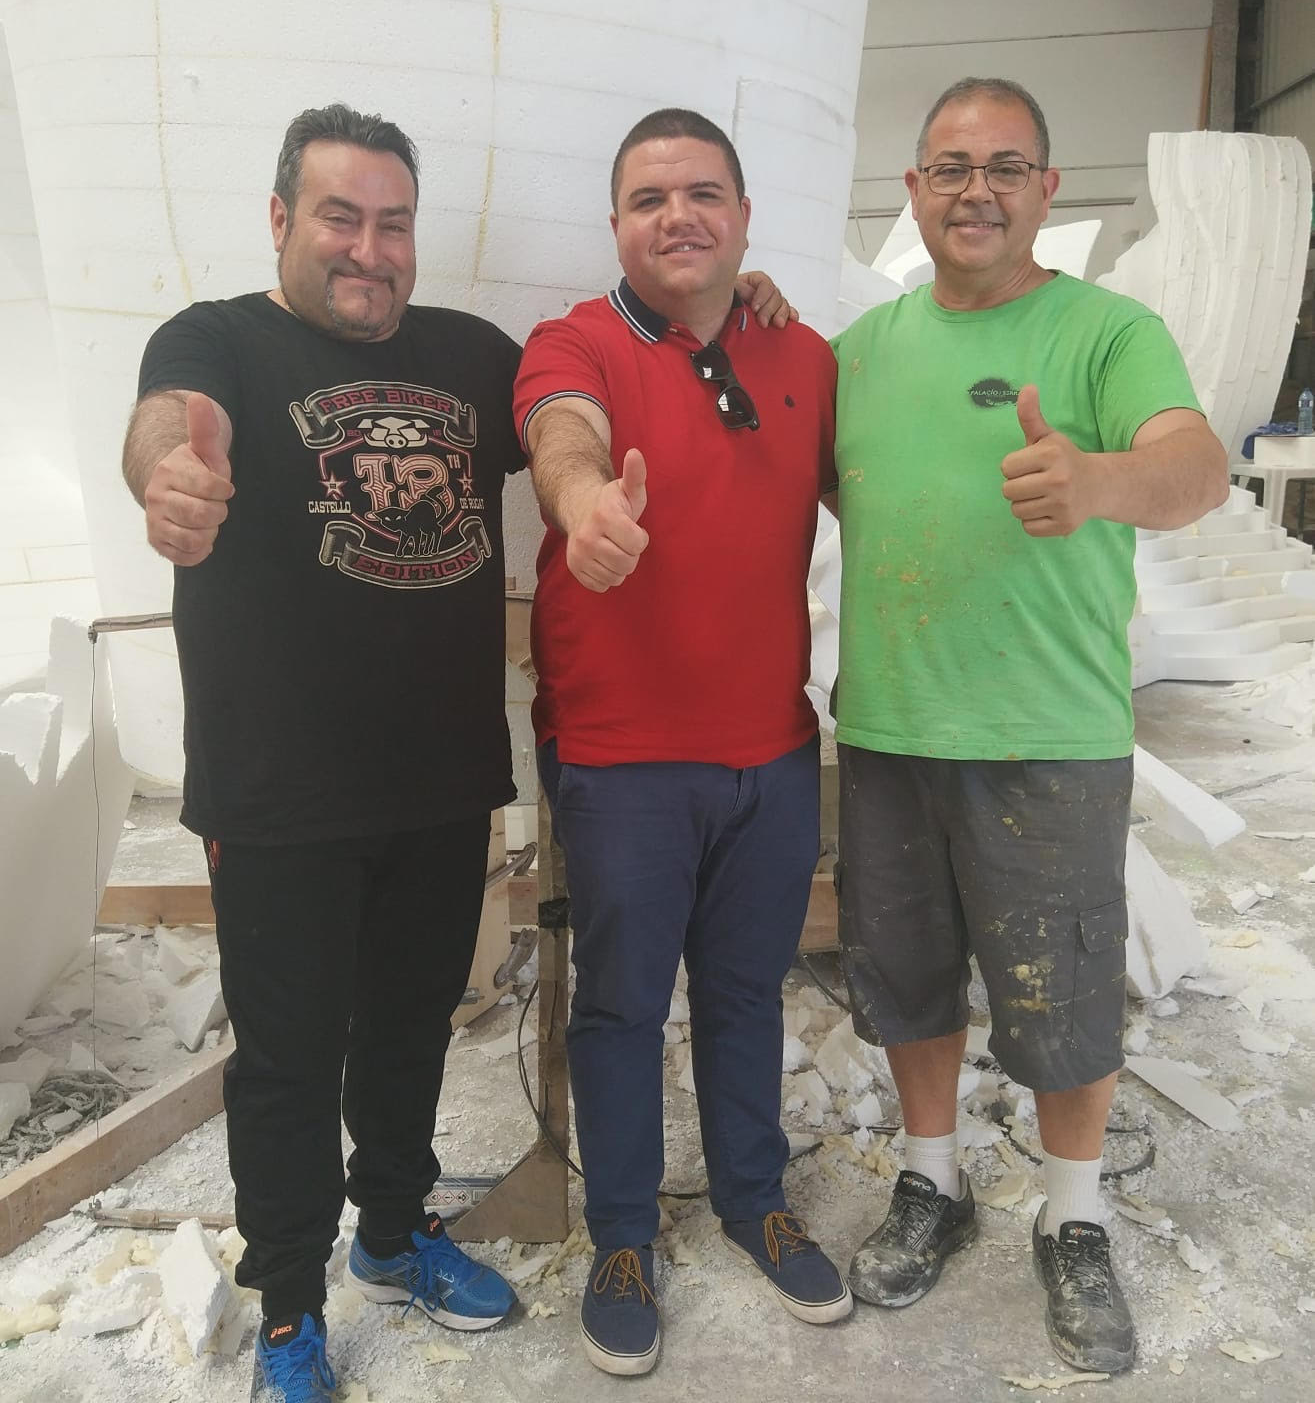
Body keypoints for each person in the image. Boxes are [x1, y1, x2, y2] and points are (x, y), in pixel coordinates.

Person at [122, 102, 794, 1403]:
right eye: (340, 217)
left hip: (438, 784)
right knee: (287, 1060)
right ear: (281, 219)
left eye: (393, 223)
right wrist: (168, 479)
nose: (368, 248)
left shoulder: (470, 354)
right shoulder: (217, 339)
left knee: (406, 1035)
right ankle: (289, 1310)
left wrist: (733, 302)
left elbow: (576, 406)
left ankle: (390, 1234)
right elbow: (167, 420)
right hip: (276, 794)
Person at [830, 77, 1228, 1375]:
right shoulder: (861, 352)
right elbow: (834, 486)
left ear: (1047, 191)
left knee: (1060, 998)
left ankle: (1072, 1216)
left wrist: (1098, 478)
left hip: (1048, 734)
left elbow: (1196, 467)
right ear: (912, 189)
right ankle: (931, 1180)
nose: (976, 192)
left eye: (1005, 168)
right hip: (890, 727)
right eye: (950, 168)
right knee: (905, 980)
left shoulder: (1107, 333)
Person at [514, 107, 852, 1378]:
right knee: (617, 1005)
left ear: (744, 216)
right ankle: (620, 1235)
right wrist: (584, 503)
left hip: (772, 747)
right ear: (616, 223)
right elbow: (561, 432)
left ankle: (753, 1198)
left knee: (748, 990)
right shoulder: (575, 341)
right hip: (621, 758)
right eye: (650, 198)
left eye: (703, 193)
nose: (679, 217)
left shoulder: (801, 354)